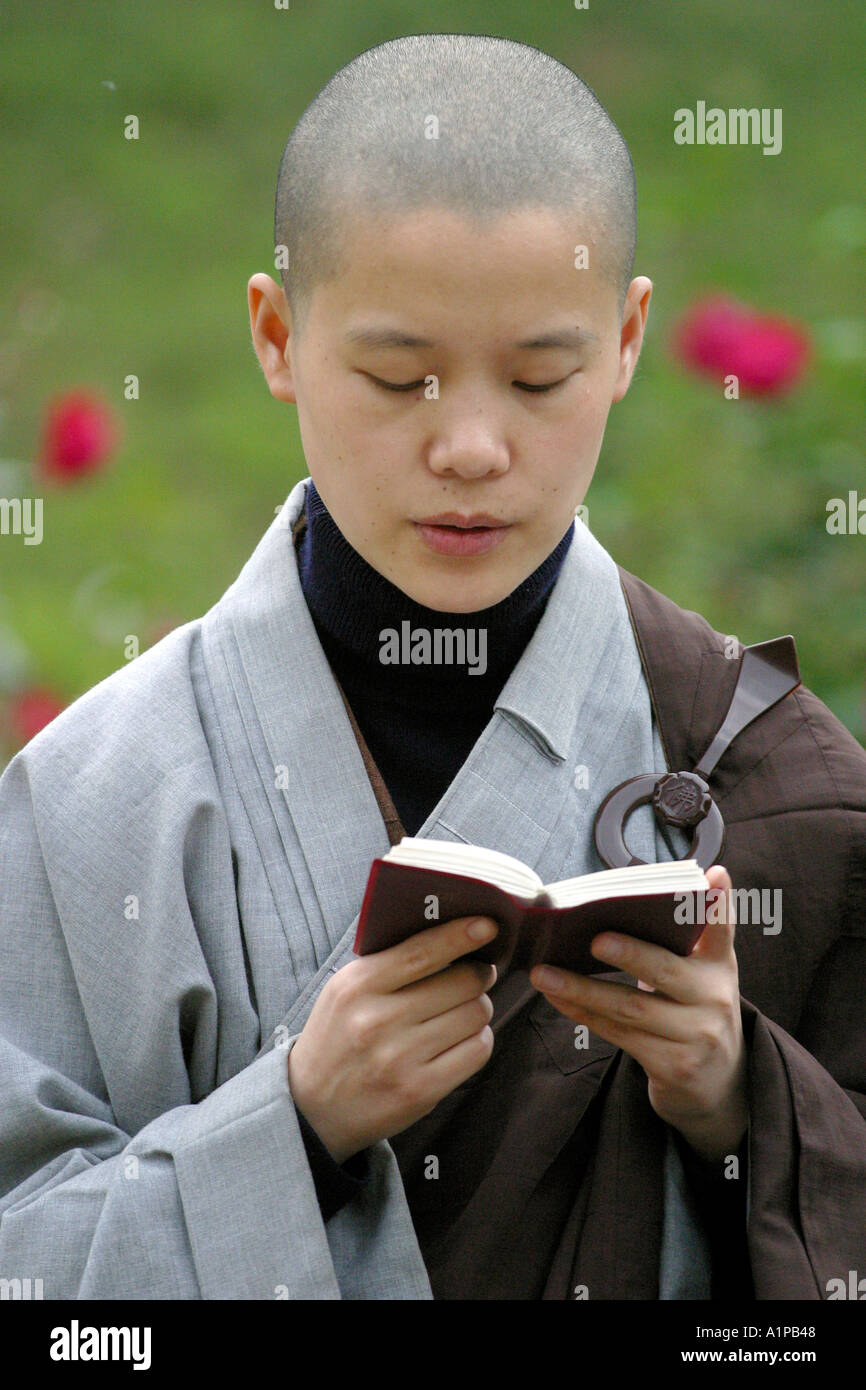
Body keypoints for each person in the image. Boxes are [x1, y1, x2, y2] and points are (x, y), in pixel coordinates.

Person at [1, 33, 864, 1302]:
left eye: (538, 376)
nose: (468, 446)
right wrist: (288, 1124)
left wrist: (740, 1100)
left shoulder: (767, 771)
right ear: (277, 333)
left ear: (625, 342)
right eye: (397, 377)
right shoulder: (90, 802)